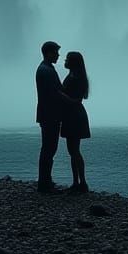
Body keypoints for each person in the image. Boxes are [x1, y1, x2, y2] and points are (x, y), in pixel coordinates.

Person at [35, 40, 71, 193]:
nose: (58, 55)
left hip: (47, 114)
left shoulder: (45, 68)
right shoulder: (47, 70)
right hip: (50, 115)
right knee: (49, 149)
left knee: (48, 149)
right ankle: (44, 184)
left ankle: (45, 181)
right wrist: (73, 101)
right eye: (56, 52)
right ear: (48, 53)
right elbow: (56, 92)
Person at [61, 50, 91, 193]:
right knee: (73, 151)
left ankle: (80, 183)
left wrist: (59, 94)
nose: (64, 61)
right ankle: (78, 182)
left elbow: (75, 100)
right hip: (74, 115)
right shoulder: (77, 76)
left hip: (74, 115)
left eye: (67, 59)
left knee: (74, 151)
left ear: (73, 62)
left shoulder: (75, 78)